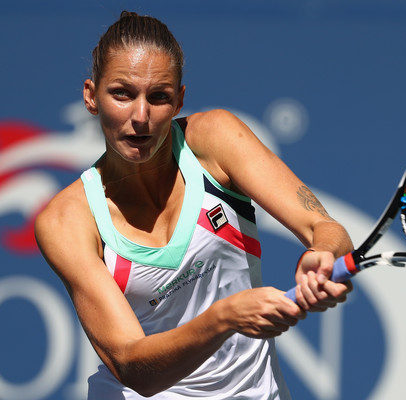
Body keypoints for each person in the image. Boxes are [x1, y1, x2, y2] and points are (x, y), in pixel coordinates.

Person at [34, 11, 353, 400]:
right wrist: (226, 317)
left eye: (159, 97)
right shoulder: (67, 220)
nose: (141, 117)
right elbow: (133, 367)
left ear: (180, 100)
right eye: (122, 93)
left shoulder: (215, 139)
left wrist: (322, 254)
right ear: (91, 96)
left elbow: (326, 228)